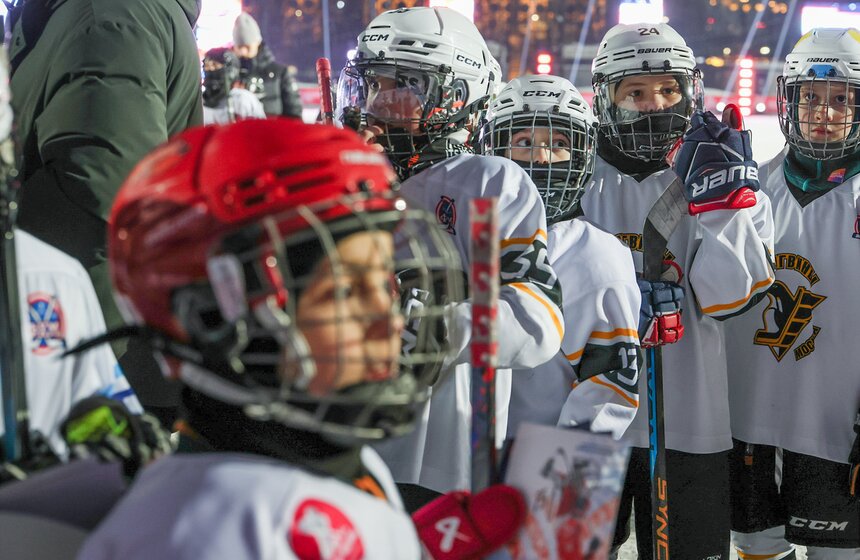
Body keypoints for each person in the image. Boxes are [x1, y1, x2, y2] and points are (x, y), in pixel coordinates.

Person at [77, 118, 462, 559]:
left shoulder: (326, 457)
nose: (389, 321)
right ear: (213, 316)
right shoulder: (209, 534)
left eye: (383, 282)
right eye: (343, 291)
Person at [336, 6, 564, 504]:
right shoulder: (343, 179)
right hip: (339, 442)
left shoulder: (485, 184)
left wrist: (428, 324)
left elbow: (536, 322)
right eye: (371, 85)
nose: (375, 103)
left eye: (399, 87)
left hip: (442, 458)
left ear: (454, 98)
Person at [581, 23, 775, 559]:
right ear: (606, 97)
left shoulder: (731, 174)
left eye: (668, 89)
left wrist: (723, 209)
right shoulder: (578, 174)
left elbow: (730, 299)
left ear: (691, 92)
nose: (655, 104)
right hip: (582, 417)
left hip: (691, 418)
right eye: (635, 92)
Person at [7, 0, 204, 427]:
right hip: (104, 356)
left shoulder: (109, 14)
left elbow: (98, 206)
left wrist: (50, 366)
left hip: (94, 374)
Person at [727, 28, 860, 560]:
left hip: (838, 430)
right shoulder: (750, 189)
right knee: (756, 549)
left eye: (841, 99)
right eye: (811, 98)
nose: (823, 112)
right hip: (751, 424)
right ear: (790, 101)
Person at [479, 74, 643, 441]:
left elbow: (605, 398)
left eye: (558, 144)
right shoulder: (463, 235)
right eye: (523, 142)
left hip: (528, 475)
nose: (540, 157)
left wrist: (556, 494)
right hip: (453, 468)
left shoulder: (596, 254)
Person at [232, 12, 303, 119]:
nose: (243, 51)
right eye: (239, 46)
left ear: (257, 43)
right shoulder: (229, 75)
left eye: (247, 46)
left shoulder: (280, 74)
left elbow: (294, 115)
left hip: (274, 134)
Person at [202, 47, 266, 125]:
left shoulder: (243, 100)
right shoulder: (199, 102)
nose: (210, 69)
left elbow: (261, 132)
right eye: (206, 66)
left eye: (215, 65)